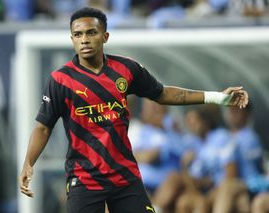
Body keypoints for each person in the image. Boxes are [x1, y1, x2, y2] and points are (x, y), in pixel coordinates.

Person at [18, 7, 249, 213]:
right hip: (85, 178)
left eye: (91, 33)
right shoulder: (60, 80)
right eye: (78, 35)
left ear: (105, 36)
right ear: (72, 39)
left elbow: (164, 94)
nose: (84, 40)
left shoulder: (126, 69)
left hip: (125, 177)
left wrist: (218, 98)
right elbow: (43, 126)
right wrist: (29, 163)